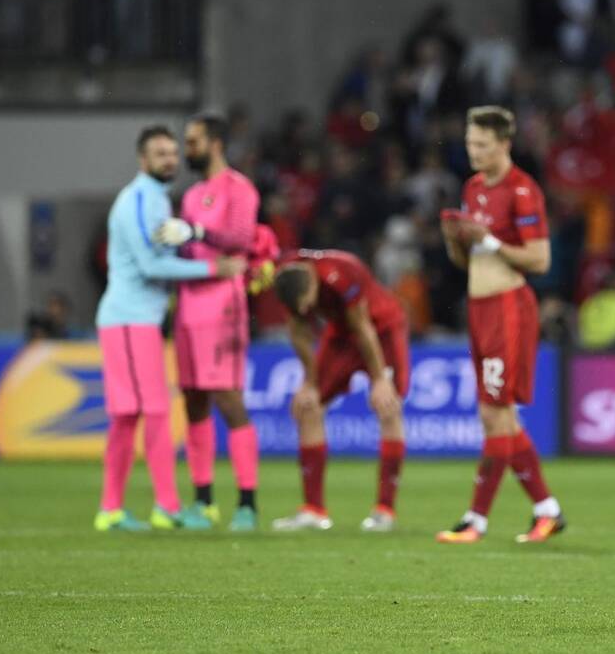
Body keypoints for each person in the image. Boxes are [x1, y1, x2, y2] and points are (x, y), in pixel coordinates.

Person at [94, 125, 246, 531]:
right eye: (160, 153)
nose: (170, 160)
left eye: (173, 153)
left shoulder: (150, 198)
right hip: (132, 318)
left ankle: (110, 509)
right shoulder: (145, 199)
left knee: (126, 417)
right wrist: (215, 267)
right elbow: (150, 266)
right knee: (156, 411)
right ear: (142, 159)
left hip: (128, 318)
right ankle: (167, 506)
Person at [436, 106, 565, 544]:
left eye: (482, 145)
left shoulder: (523, 191)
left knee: (494, 413)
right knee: (499, 416)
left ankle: (476, 519)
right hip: (478, 308)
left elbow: (540, 259)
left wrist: (488, 240)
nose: (474, 152)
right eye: (471, 144)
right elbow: (468, 259)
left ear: (504, 144)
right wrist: (456, 241)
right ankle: (547, 509)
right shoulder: (472, 188)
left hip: (509, 306)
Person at [153, 114, 261, 531]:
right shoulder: (193, 193)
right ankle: (204, 502)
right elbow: (191, 251)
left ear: (215, 143)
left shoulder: (239, 188)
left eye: (193, 141)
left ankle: (247, 504)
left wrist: (196, 229)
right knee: (194, 400)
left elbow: (241, 240)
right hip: (189, 306)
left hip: (223, 307)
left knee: (229, 400)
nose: (187, 149)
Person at [268, 249, 409, 532]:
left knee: (387, 406)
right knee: (309, 406)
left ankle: (384, 510)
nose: (308, 311)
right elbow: (297, 329)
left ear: (313, 285)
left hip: (380, 328)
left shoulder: (340, 273)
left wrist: (380, 378)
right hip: (341, 333)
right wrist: (308, 381)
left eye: (309, 304)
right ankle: (313, 510)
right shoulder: (286, 276)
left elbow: (363, 326)